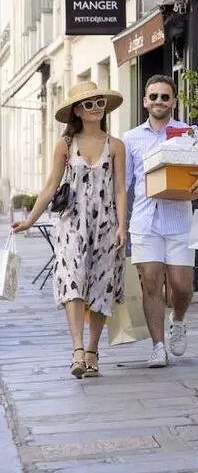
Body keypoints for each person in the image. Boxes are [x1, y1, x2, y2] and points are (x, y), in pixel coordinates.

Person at [12, 81, 127, 379]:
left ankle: (92, 350)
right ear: (77, 110)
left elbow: (119, 191)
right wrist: (30, 221)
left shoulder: (115, 146)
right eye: (88, 104)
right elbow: (51, 185)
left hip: (106, 224)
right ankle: (77, 350)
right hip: (72, 223)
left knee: (102, 287)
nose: (95, 108)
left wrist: (122, 227)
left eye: (99, 102)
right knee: (73, 282)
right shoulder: (65, 145)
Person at [122, 74, 198, 368]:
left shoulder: (189, 133)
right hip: (145, 222)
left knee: (182, 287)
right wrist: (116, 221)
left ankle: (178, 320)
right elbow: (124, 184)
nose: (158, 101)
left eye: (164, 97)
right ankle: (158, 347)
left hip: (181, 221)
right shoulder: (131, 139)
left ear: (174, 102)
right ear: (145, 102)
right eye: (153, 96)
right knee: (151, 283)